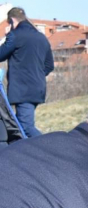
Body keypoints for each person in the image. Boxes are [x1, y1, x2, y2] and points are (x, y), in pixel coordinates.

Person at [0, 7, 53, 137]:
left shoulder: (15, 35)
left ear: (12, 20)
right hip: (37, 88)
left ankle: (49, 148)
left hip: (23, 89)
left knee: (25, 127)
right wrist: (36, 76)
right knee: (23, 126)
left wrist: (6, 38)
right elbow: (49, 65)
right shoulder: (41, 37)